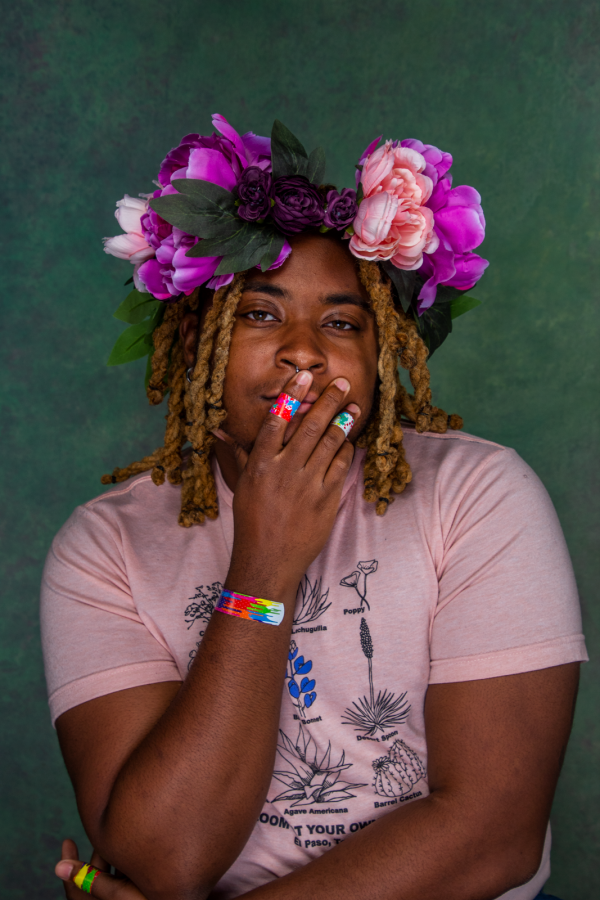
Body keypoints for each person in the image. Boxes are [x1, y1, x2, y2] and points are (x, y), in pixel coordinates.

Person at [42, 116, 587, 900]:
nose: (305, 351)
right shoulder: (105, 547)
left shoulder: (479, 495)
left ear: (381, 354)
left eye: (342, 323)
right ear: (197, 339)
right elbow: (165, 859)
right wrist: (263, 566)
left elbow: (492, 836)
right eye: (261, 315)